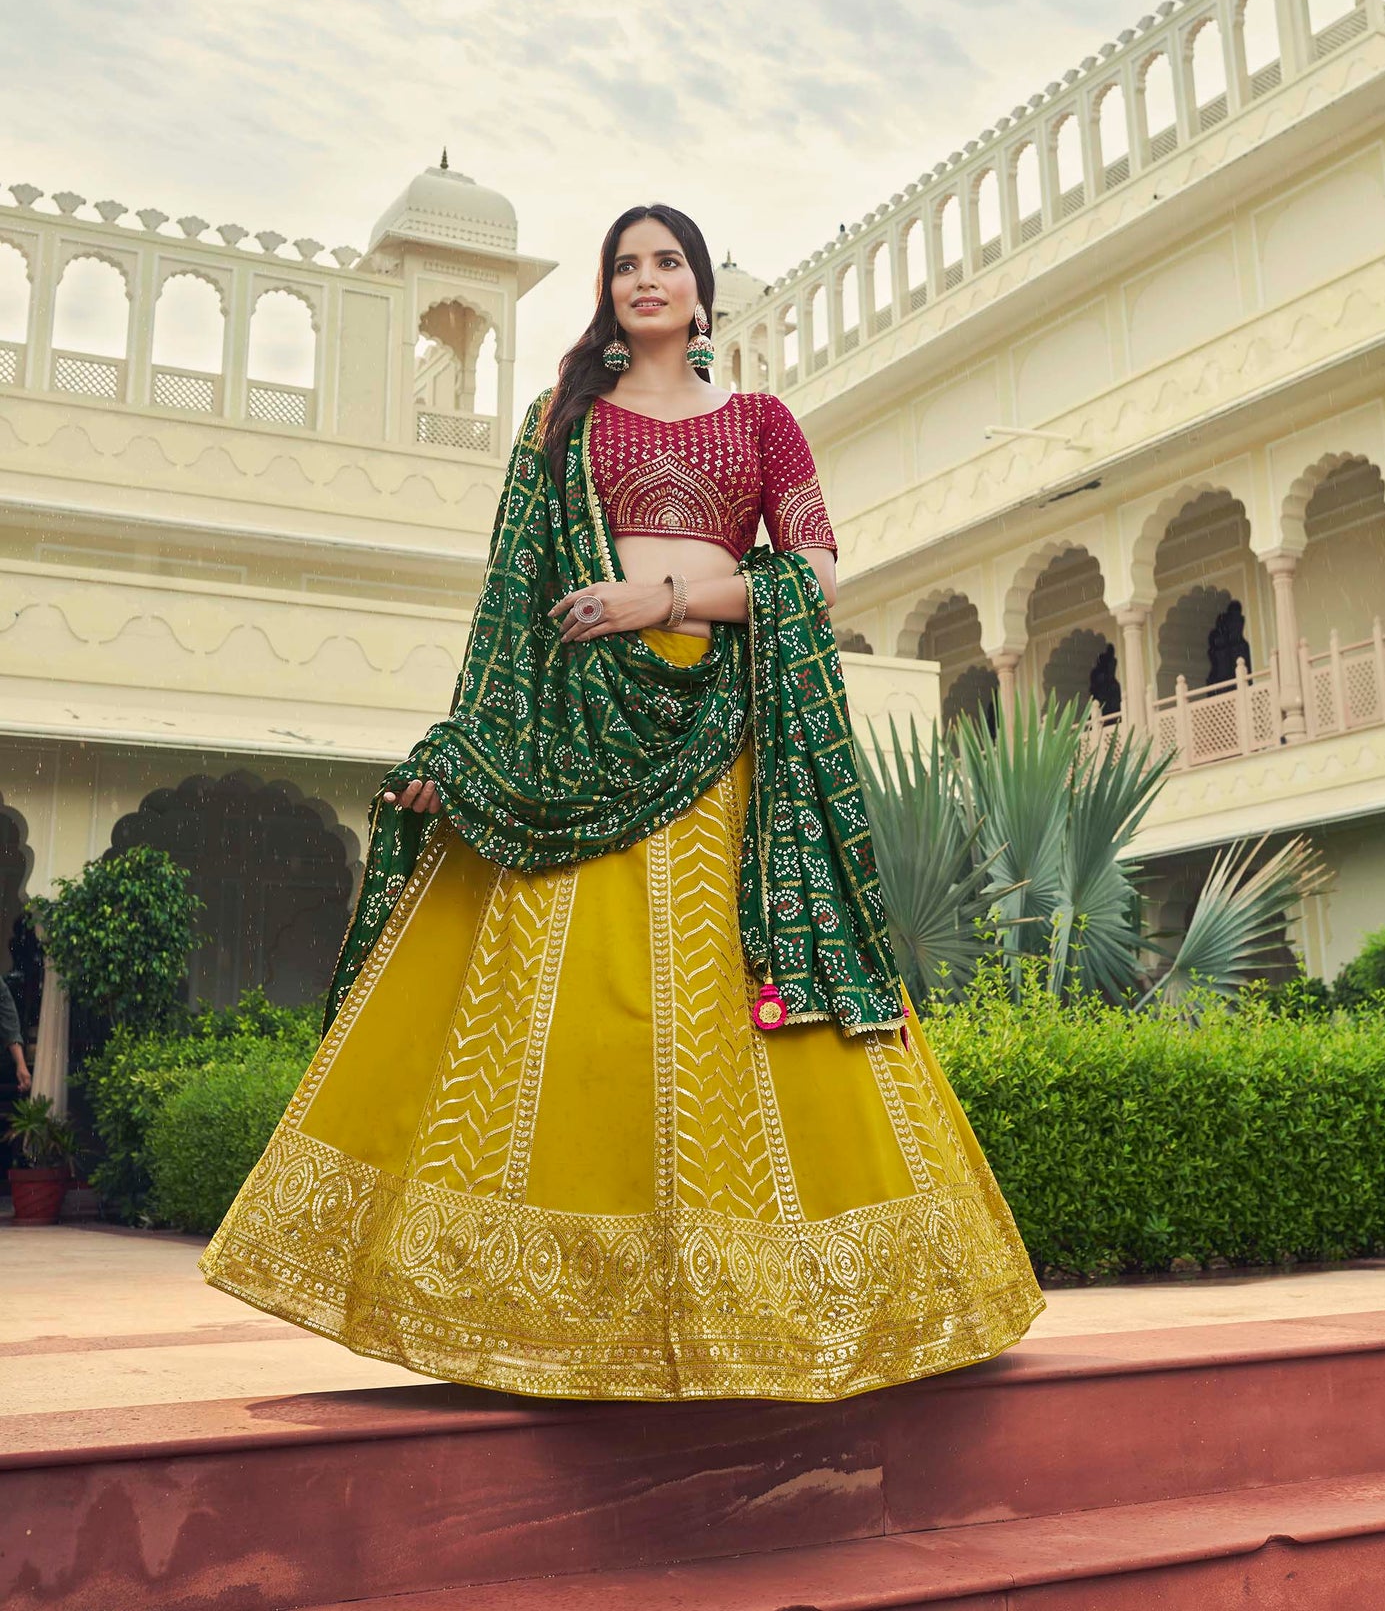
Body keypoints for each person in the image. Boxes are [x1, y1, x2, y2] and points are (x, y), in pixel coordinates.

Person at [202, 205, 1043, 1401]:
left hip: (726, 743)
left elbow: (810, 573)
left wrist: (657, 599)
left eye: (669, 262)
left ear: (703, 296)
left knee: (724, 1013)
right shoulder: (560, 432)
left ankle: (798, 1303)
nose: (646, 278)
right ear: (606, 292)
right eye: (625, 263)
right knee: (559, 1030)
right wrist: (466, 746)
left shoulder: (759, 422)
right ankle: (525, 1308)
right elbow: (507, 615)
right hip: (568, 743)